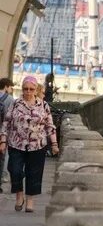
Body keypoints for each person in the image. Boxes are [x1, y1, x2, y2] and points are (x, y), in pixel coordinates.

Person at [0, 76, 59, 212]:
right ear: (22, 89)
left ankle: (30, 201)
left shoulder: (43, 105)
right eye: (25, 89)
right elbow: (6, 123)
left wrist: (54, 144)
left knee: (34, 173)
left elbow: (50, 126)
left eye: (31, 89)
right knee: (14, 170)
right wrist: (3, 140)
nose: (28, 92)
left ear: (35, 90)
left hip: (37, 145)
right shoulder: (16, 103)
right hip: (16, 143)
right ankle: (19, 195)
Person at [0, 77, 14, 188]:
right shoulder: (9, 99)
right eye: (10, 88)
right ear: (6, 87)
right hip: (2, 132)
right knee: (3, 156)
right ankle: (3, 176)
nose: (11, 90)